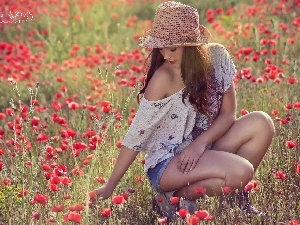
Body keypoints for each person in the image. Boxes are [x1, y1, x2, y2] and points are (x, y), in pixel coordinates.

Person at [91, 1, 275, 221]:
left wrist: (198, 145)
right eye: (161, 47)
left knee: (262, 123)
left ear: (192, 45)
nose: (166, 55)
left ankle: (235, 200)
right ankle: (172, 199)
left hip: (203, 147)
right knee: (242, 172)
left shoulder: (217, 58)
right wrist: (110, 185)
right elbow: (135, 137)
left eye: (173, 48)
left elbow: (228, 114)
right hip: (169, 162)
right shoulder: (163, 78)